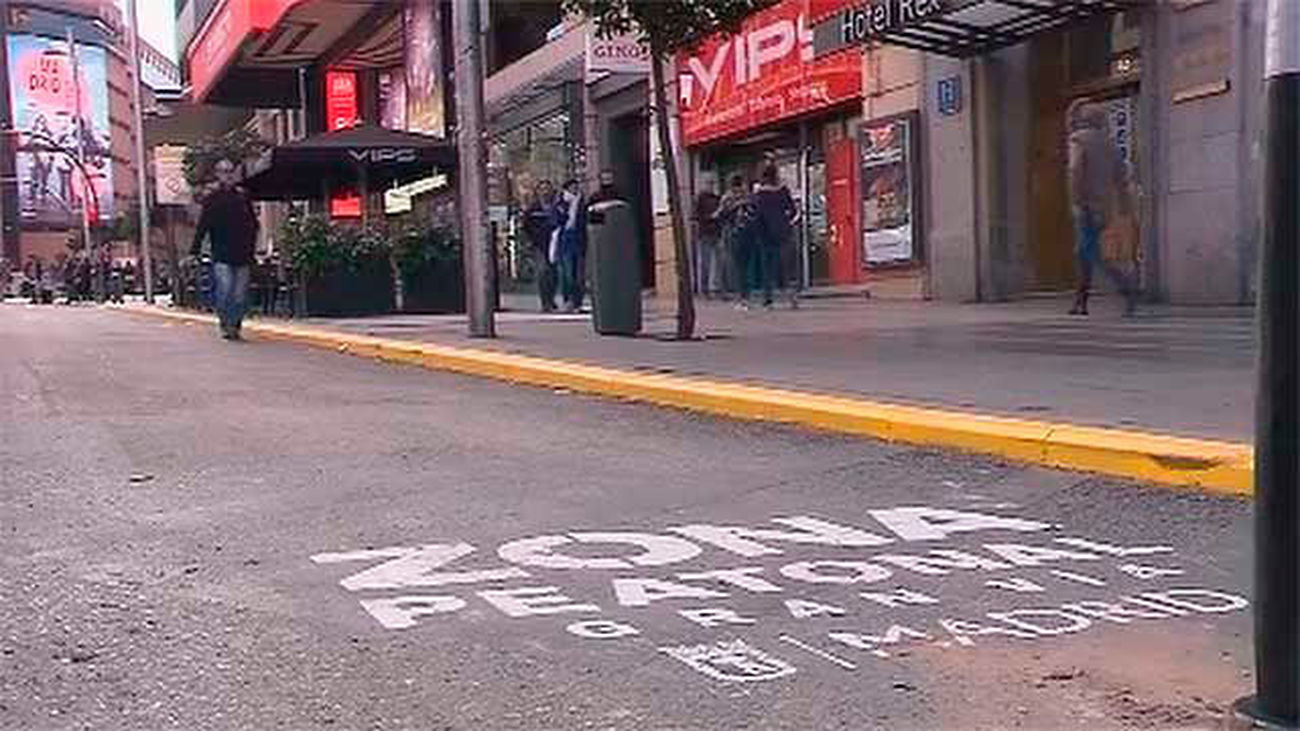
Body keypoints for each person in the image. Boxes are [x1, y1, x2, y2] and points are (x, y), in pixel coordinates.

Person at [1067, 100, 1138, 316]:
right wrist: (1125, 205)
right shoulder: (1111, 145)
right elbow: (1121, 178)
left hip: (1086, 203)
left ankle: (1126, 286)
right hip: (1105, 206)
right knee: (1084, 252)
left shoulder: (1078, 139)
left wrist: (1076, 200)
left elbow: (1075, 169)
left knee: (1089, 251)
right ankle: (1081, 301)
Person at [190, 158, 258, 340]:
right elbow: (203, 226)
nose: (227, 175)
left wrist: (253, 248)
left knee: (240, 294)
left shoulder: (243, 196)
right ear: (218, 174)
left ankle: (235, 324)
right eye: (223, 171)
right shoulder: (212, 199)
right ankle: (225, 323)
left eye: (230, 171)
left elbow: (253, 224)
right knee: (225, 289)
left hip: (243, 253)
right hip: (221, 252)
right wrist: (194, 251)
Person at [751, 164, 798, 309]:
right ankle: (791, 297)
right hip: (783, 231)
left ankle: (768, 300)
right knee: (786, 266)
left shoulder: (759, 195)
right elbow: (792, 210)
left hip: (765, 233)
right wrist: (786, 222)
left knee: (767, 267)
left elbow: (756, 215)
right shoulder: (783, 191)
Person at [715, 174, 756, 308]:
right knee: (748, 265)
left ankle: (742, 297)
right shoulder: (749, 197)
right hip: (749, 235)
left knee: (739, 267)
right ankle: (748, 294)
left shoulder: (727, 198)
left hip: (733, 234)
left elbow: (720, 216)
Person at [552, 179, 587, 313]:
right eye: (572, 187)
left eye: (576, 187)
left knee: (579, 273)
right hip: (565, 239)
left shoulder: (582, 202)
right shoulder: (561, 203)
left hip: (578, 239)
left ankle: (577, 302)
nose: (575, 189)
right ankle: (568, 300)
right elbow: (556, 220)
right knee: (567, 273)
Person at [524, 180, 558, 312]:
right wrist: (532, 239)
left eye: (547, 189)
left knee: (553, 273)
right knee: (543, 272)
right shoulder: (533, 209)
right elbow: (526, 225)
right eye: (542, 189)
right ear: (538, 192)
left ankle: (551, 298)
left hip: (555, 244)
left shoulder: (557, 207)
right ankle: (546, 302)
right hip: (539, 245)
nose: (545, 192)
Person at [694, 183, 722, 298]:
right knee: (707, 262)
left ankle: (716, 288)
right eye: (709, 184)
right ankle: (705, 289)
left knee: (717, 262)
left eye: (712, 184)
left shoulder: (717, 198)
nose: (711, 186)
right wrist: (710, 217)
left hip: (715, 232)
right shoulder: (701, 199)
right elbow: (696, 215)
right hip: (706, 232)